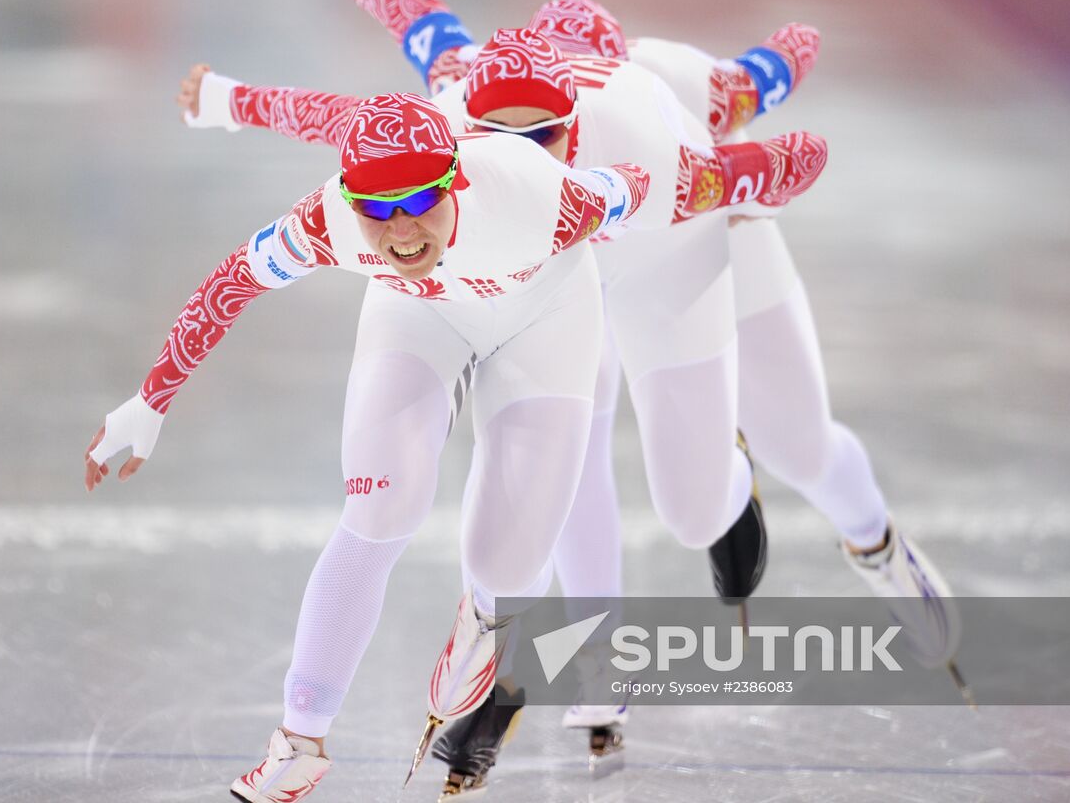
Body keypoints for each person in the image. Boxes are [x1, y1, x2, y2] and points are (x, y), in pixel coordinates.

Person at [238, 0, 964, 790]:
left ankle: (869, 538)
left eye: (546, 133)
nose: (525, 152)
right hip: (589, 270)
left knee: (741, 471)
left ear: (587, 106)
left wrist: (753, 179)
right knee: (561, 444)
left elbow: (783, 89)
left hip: (690, 248)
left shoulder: (658, 121)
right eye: (505, 135)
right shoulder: (460, 94)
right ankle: (595, 667)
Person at [88, 88, 825, 801]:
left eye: (418, 205)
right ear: (348, 201)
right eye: (376, 211)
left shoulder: (543, 198)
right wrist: (149, 401)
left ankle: (485, 613)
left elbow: (663, 184)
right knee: (379, 508)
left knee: (505, 566)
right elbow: (228, 285)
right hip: (420, 319)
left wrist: (768, 170)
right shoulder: (324, 225)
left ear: (456, 181)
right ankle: (297, 742)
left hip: (546, 317)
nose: (401, 232)